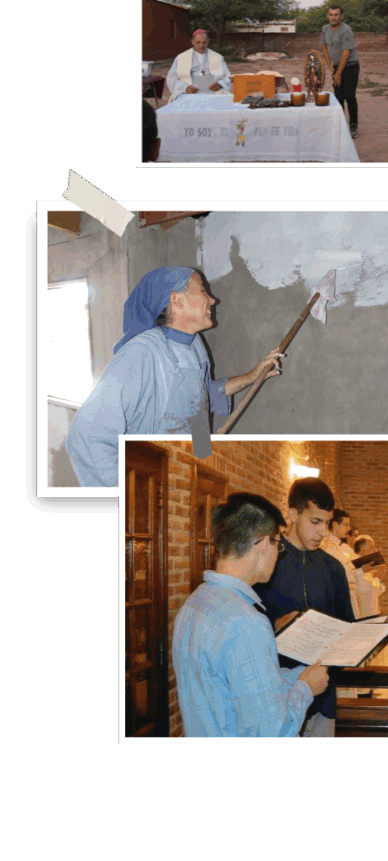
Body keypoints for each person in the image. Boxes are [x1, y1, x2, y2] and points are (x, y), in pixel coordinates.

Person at [66, 267, 282, 486]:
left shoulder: (195, 345)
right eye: (203, 291)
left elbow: (197, 400)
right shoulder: (141, 353)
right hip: (151, 480)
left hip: (184, 474)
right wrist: (124, 489)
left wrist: (251, 377)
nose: (212, 300)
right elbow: (86, 436)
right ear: (177, 300)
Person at [172, 493, 329, 737]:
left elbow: (241, 685)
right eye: (278, 545)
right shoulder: (248, 623)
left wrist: (298, 675)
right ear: (265, 544)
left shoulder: (194, 603)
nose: (278, 553)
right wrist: (306, 688)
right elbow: (273, 732)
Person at [254, 478, 355, 737]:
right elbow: (246, 630)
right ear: (292, 515)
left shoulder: (333, 569)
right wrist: (274, 627)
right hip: (276, 697)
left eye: (327, 523)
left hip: (322, 699)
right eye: (315, 522)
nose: (322, 532)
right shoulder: (266, 563)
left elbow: (347, 626)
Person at [320, 508, 369, 618]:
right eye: (346, 525)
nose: (349, 528)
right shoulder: (328, 546)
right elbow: (338, 572)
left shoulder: (341, 547)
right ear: (335, 525)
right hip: (338, 596)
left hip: (349, 594)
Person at [321, 6, 359, 138]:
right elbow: (324, 48)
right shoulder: (325, 29)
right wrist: (332, 69)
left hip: (351, 66)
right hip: (336, 66)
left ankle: (353, 126)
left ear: (341, 16)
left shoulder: (346, 30)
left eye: (336, 15)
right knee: (338, 97)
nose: (333, 17)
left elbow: (346, 52)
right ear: (328, 16)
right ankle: (340, 124)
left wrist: (338, 73)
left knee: (350, 96)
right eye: (331, 14)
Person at [166, 30, 232, 102]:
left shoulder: (218, 57)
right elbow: (171, 78)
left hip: (213, 92)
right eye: (198, 42)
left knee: (227, 101)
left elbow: (227, 76)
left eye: (204, 42)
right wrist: (185, 88)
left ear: (208, 41)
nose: (201, 46)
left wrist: (219, 85)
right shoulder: (181, 57)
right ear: (192, 42)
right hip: (188, 93)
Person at [351, 535, 387, 618]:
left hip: (372, 612)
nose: (376, 550)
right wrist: (377, 578)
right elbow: (364, 591)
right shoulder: (356, 568)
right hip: (363, 615)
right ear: (363, 550)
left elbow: (376, 593)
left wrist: (379, 578)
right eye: (372, 547)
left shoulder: (367, 567)